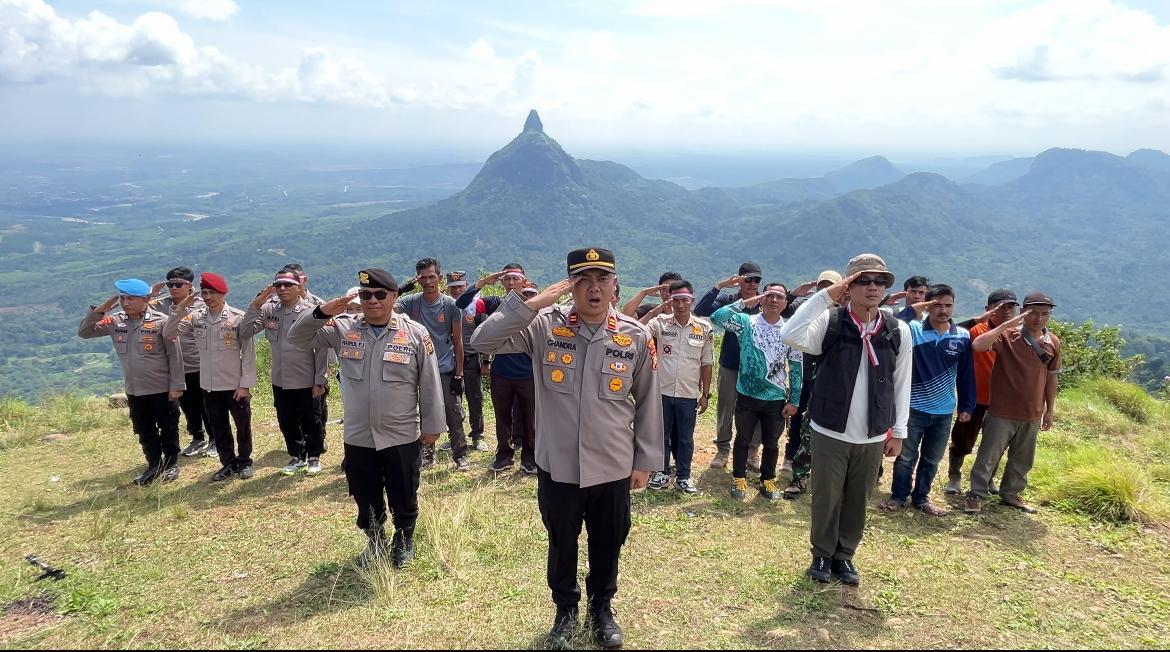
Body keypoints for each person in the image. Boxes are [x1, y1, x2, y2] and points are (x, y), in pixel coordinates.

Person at [471, 247, 662, 650]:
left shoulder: (635, 334)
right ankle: (565, 611)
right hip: (558, 464)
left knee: (608, 540)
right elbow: (482, 340)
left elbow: (648, 401)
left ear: (614, 284)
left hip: (612, 464)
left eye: (602, 279)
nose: (593, 288)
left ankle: (601, 609)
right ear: (569, 286)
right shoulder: (544, 326)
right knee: (562, 542)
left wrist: (644, 460)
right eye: (582, 280)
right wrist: (532, 304)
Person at [288, 269, 444, 568]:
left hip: (400, 432)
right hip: (359, 434)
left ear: (393, 297)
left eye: (379, 294)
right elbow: (297, 337)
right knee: (364, 492)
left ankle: (404, 537)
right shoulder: (344, 329)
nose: (372, 300)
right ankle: (375, 539)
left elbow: (429, 383)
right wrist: (321, 311)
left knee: (404, 489)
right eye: (365, 295)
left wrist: (433, 425)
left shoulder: (415, 333)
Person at [781, 254, 911, 586]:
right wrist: (827, 294)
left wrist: (898, 431)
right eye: (863, 280)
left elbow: (901, 382)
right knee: (826, 497)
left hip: (872, 434)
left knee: (858, 500)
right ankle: (822, 554)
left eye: (879, 281)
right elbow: (791, 334)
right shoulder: (831, 322)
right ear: (848, 286)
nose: (873, 287)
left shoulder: (897, 329)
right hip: (829, 429)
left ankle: (845, 555)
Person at [880, 284, 975, 516]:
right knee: (906, 457)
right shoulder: (913, 329)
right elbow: (890, 325)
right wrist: (914, 309)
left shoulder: (962, 336)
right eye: (937, 305)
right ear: (928, 306)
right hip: (913, 408)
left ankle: (921, 499)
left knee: (932, 459)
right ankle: (898, 497)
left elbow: (966, 374)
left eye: (948, 305)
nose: (943, 310)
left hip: (944, 411)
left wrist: (967, 405)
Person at [79, 279, 185, 485]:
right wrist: (99, 312)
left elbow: (175, 356)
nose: (125, 303)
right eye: (123, 298)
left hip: (161, 387)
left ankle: (171, 464)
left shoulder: (162, 321)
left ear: (145, 299)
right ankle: (154, 465)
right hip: (135, 389)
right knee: (144, 429)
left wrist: (177, 386)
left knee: (168, 427)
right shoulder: (116, 321)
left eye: (131, 299)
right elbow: (85, 332)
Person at [965, 292, 1062, 515]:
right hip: (1001, 410)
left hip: (1032, 412)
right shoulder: (1007, 336)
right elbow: (978, 345)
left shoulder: (1053, 342)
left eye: (1045, 314)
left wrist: (1050, 410)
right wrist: (1005, 325)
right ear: (1023, 312)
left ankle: (1011, 494)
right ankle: (976, 494)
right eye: (1034, 313)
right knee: (988, 456)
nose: (1039, 318)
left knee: (1022, 458)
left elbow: (1052, 377)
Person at [162, 272, 258, 482]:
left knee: (242, 426)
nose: (208, 297)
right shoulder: (196, 317)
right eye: (204, 293)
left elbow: (248, 354)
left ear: (223, 293)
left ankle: (244, 462)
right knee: (219, 427)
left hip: (234, 384)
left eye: (212, 293)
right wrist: (180, 308)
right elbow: (169, 333)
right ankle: (228, 463)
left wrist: (245, 385)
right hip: (209, 385)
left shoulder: (237, 318)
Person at [711, 283, 802, 500]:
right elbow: (717, 317)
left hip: (776, 397)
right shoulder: (746, 322)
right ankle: (739, 478)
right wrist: (745, 302)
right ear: (762, 299)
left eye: (779, 296)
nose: (774, 300)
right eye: (769, 295)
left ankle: (768, 481)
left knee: (771, 442)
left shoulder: (790, 331)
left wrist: (794, 400)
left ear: (785, 303)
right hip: (747, 394)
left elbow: (796, 366)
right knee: (742, 439)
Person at [241, 270, 330, 476]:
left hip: (305, 377)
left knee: (311, 419)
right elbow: (246, 332)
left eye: (288, 285)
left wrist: (320, 380)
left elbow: (322, 348)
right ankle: (297, 456)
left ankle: (314, 456)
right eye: (278, 285)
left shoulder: (310, 312)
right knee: (286, 420)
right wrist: (255, 305)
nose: (282, 289)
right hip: (280, 378)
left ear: (299, 287)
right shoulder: (269, 309)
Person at [456, 264, 538, 474]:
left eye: (515, 278)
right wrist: (483, 283)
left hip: (528, 368)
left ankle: (530, 457)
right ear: (501, 282)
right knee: (502, 416)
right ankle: (504, 456)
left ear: (524, 281)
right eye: (507, 278)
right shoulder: (494, 303)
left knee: (530, 417)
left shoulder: (533, 304)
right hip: (501, 367)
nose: (511, 283)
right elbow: (462, 304)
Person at [396, 258, 468, 471]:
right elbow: (386, 305)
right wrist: (403, 288)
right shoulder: (410, 302)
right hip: (416, 369)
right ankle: (427, 455)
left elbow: (458, 342)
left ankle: (460, 455)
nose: (427, 282)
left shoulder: (451, 305)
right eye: (423, 278)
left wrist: (459, 375)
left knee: (453, 413)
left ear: (439, 278)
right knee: (421, 413)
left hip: (444, 369)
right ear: (417, 279)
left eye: (431, 277)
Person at [642, 280, 714, 494]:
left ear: (692, 300)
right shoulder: (660, 323)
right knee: (660, 435)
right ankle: (662, 473)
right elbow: (638, 330)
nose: (680, 305)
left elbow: (707, 363)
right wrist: (657, 310)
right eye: (676, 300)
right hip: (661, 391)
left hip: (688, 393)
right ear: (670, 301)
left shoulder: (704, 328)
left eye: (685, 300)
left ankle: (683, 476)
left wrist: (705, 394)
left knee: (685, 438)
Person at [694, 260, 764, 470]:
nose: (752, 284)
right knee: (725, 407)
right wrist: (720, 286)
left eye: (756, 280)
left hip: (757, 368)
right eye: (748, 280)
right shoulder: (728, 301)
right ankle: (723, 449)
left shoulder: (764, 303)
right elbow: (701, 309)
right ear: (739, 280)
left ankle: (752, 451)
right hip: (731, 364)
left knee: (757, 409)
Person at [947, 290, 1019, 495]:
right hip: (975, 397)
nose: (1006, 311)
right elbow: (951, 331)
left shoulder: (1018, 335)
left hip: (1002, 401)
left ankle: (989, 479)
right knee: (963, 440)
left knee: (996, 444)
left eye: (1010, 307)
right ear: (988, 309)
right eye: (1000, 307)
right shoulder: (976, 330)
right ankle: (954, 476)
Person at [150, 267, 213, 459]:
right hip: (175, 366)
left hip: (199, 363)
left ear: (189, 286)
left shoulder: (202, 304)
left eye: (178, 285)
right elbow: (138, 309)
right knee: (187, 405)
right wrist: (151, 295)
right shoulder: (162, 304)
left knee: (206, 405)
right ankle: (197, 437)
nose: (173, 288)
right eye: (170, 285)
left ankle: (215, 439)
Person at [780, 270, 841, 469]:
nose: (826, 290)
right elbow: (784, 310)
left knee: (822, 420)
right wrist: (793, 294)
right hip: (804, 374)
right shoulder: (806, 307)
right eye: (822, 286)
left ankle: (817, 461)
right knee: (797, 417)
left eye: (830, 286)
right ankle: (790, 457)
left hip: (828, 379)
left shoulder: (842, 314)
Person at [445, 271, 488, 452]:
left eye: (460, 287)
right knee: (453, 401)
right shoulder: (445, 306)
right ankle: (455, 436)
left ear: (466, 286)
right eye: (453, 287)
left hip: (471, 358)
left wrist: (485, 361)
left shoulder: (476, 306)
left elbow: (486, 334)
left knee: (475, 397)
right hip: (450, 360)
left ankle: (477, 435)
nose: (456, 290)